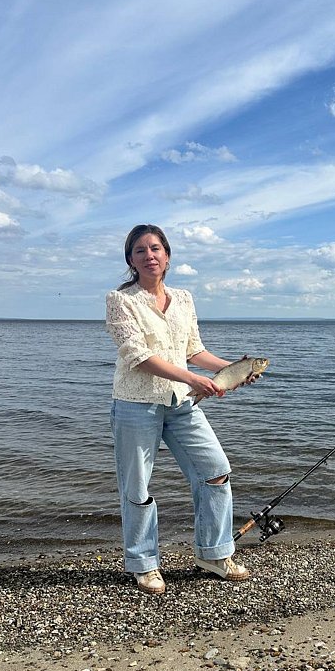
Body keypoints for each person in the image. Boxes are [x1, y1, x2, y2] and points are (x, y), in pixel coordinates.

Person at [105, 223, 250, 594]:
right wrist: (192, 379)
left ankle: (213, 554)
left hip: (181, 403)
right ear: (131, 260)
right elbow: (138, 357)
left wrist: (234, 370)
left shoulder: (183, 298)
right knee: (137, 486)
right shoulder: (120, 300)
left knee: (215, 471)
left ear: (167, 256)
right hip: (136, 403)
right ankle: (144, 564)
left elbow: (193, 349)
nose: (149, 256)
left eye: (155, 248)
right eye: (140, 250)